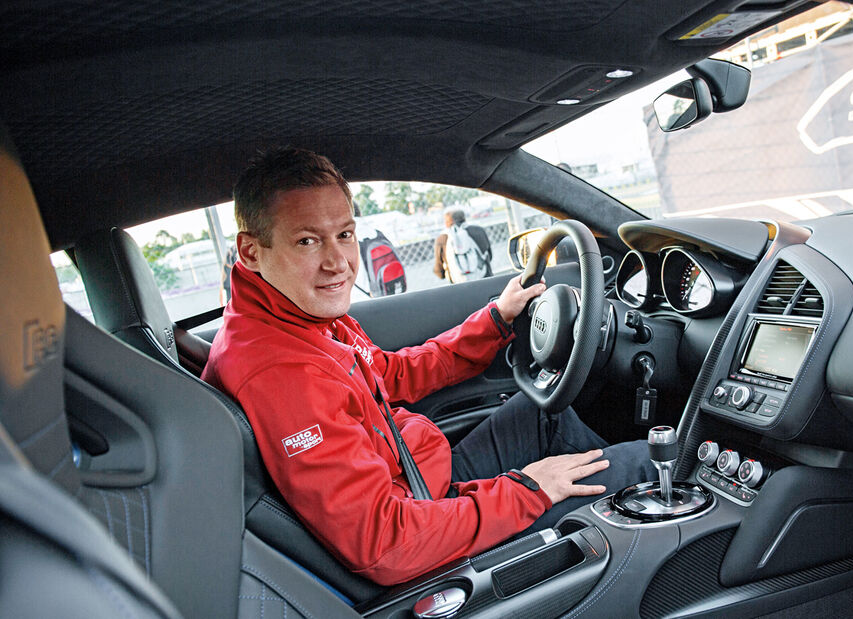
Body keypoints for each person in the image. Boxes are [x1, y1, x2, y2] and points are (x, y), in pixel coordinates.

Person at [201, 148, 653, 586]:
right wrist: (530, 490)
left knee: (544, 413)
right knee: (640, 468)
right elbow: (385, 543)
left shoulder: (301, 320)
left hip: (420, 482)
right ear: (251, 251)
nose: (338, 262)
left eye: (343, 234)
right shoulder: (281, 373)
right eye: (306, 240)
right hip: (420, 536)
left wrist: (495, 319)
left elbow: (392, 374)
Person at [432, 207, 492, 282]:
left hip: (460, 287)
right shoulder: (479, 230)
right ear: (463, 218)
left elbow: (439, 272)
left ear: (447, 222)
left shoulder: (442, 239)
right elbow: (490, 256)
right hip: (486, 281)